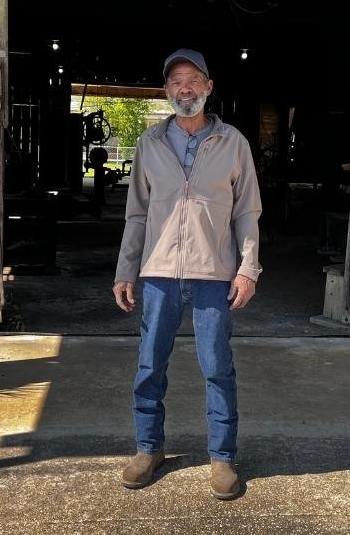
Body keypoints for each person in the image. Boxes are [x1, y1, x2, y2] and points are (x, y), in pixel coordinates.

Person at [113, 48, 262, 500]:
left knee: (217, 367)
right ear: (167, 90)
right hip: (158, 272)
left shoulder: (234, 143)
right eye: (177, 81)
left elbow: (247, 212)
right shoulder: (150, 143)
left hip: (213, 274)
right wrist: (126, 270)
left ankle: (222, 457)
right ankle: (148, 449)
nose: (185, 88)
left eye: (193, 80)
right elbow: (136, 213)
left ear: (209, 87)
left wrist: (247, 268)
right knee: (150, 364)